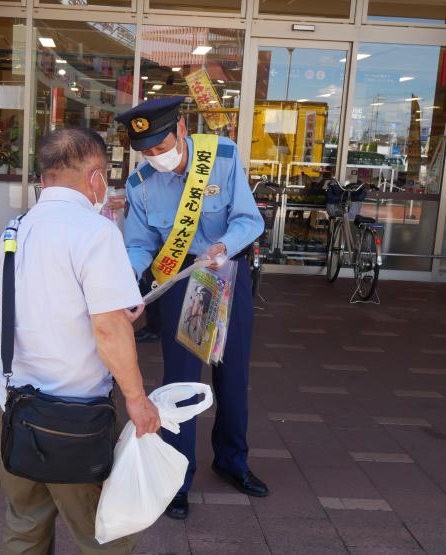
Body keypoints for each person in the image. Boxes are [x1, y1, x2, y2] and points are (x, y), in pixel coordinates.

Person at [0, 127, 161, 555]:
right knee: (105, 533)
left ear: (45, 175)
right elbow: (108, 329)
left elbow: (42, 305)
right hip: (75, 416)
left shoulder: (14, 231)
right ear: (95, 177)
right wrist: (137, 400)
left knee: (25, 525)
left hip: (16, 407)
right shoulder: (95, 233)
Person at [115, 97, 268, 521]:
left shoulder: (221, 156)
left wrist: (224, 245)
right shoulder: (140, 183)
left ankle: (233, 461)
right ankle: (178, 478)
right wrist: (127, 284)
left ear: (181, 129)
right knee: (180, 383)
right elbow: (139, 243)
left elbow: (249, 219)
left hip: (225, 273)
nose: (155, 157)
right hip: (181, 282)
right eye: (146, 151)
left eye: (160, 146)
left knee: (232, 375)